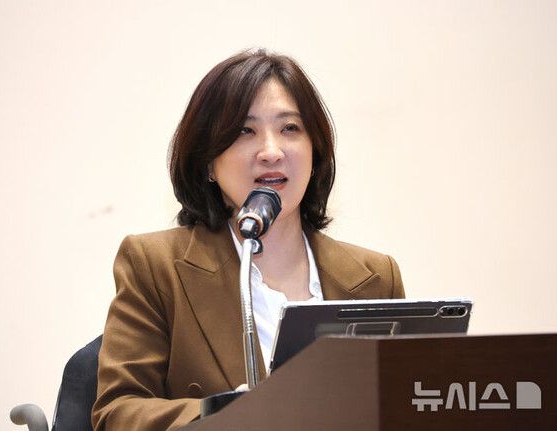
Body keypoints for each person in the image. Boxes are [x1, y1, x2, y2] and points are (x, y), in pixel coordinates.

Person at [91, 49, 405, 431]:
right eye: (245, 131)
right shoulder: (155, 266)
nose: (271, 151)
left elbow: (406, 404)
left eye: (290, 128)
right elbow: (117, 412)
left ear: (315, 151)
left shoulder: (377, 278)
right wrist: (229, 415)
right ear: (208, 161)